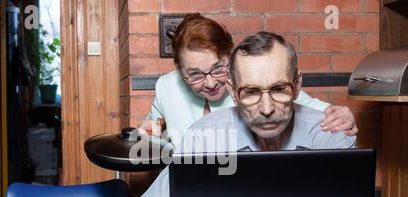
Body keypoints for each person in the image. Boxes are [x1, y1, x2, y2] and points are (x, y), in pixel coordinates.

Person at [116, 31, 357, 197]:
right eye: (251, 92)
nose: (266, 108)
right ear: (233, 91)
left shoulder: (331, 134)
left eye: (279, 89)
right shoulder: (203, 138)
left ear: (297, 85)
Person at [138, 13, 357, 146]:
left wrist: (339, 114)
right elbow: (158, 129)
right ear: (179, 70)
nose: (211, 83)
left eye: (218, 68)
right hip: (190, 186)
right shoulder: (166, 87)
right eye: (195, 75)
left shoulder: (250, 82)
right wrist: (150, 133)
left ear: (229, 57)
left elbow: (309, 108)